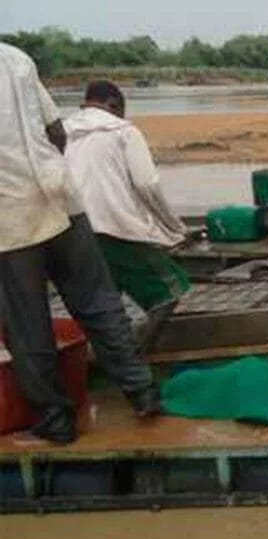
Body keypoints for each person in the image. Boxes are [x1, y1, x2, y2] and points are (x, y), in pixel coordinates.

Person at [0, 43, 162, 444]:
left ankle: (56, 420)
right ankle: (142, 391)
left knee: (26, 322)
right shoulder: (15, 58)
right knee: (98, 300)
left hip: (10, 218)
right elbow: (56, 131)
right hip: (62, 197)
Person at [63, 81, 190, 352]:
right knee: (170, 290)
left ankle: (103, 357)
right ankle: (138, 357)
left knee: (105, 301)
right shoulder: (124, 131)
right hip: (115, 229)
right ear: (113, 105)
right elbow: (147, 185)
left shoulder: (62, 132)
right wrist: (173, 227)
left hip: (72, 231)